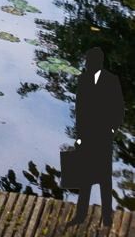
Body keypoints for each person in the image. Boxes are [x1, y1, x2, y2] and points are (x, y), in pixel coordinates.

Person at [64, 46, 123, 226]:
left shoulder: (111, 80)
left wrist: (112, 129)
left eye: (89, 61)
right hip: (87, 135)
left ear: (97, 62)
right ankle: (80, 215)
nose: (86, 64)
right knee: (85, 176)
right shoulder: (83, 80)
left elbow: (119, 108)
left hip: (104, 135)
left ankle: (107, 217)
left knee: (105, 178)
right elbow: (79, 109)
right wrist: (79, 135)